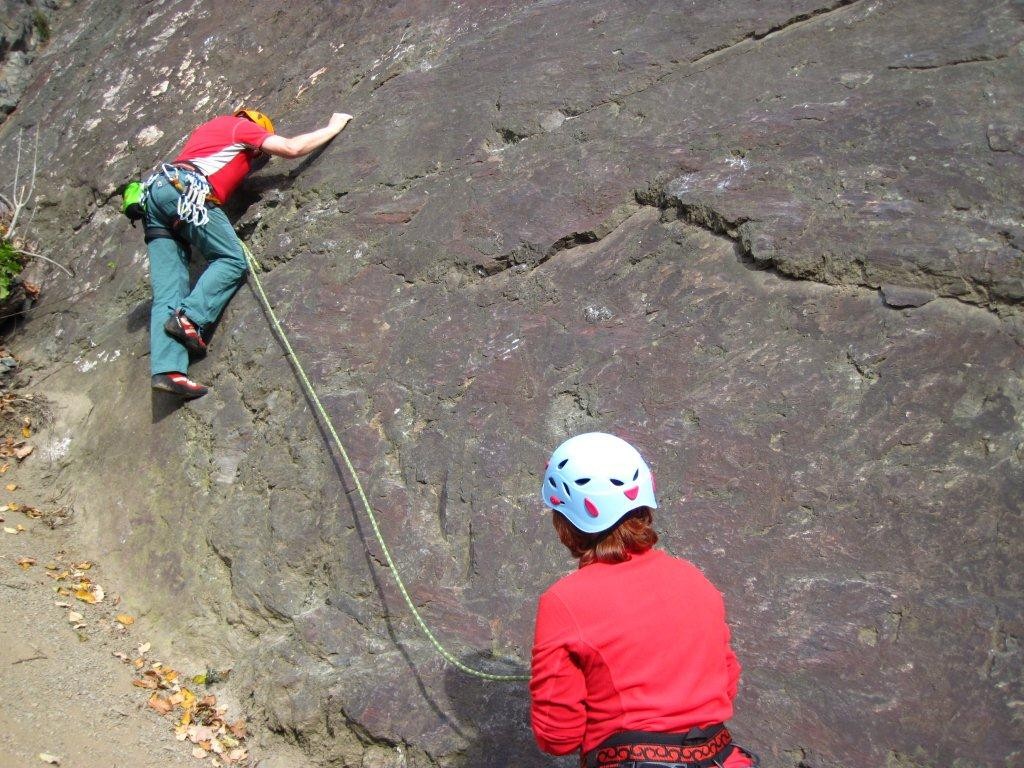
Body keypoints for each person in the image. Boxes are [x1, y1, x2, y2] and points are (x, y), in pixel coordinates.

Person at [530, 432, 758, 768]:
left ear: (564, 521)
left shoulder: (565, 601)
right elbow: (725, 684)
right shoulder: (696, 581)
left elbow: (557, 735)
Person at [144, 107, 352, 398]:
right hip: (184, 190)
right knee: (231, 258)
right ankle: (190, 317)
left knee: (169, 290)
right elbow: (291, 148)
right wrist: (332, 127)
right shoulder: (239, 127)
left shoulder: (206, 133)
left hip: (155, 198)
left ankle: (168, 371)